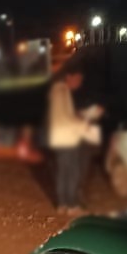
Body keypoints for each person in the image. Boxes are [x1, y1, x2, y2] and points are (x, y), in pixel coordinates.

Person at [46, 65, 103, 210]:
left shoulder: (61, 91)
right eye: (77, 79)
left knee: (65, 172)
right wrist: (84, 125)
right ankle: (70, 204)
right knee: (71, 172)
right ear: (69, 77)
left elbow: (66, 115)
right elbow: (63, 117)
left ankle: (64, 204)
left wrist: (83, 116)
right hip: (66, 138)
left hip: (63, 137)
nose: (79, 83)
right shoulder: (60, 91)